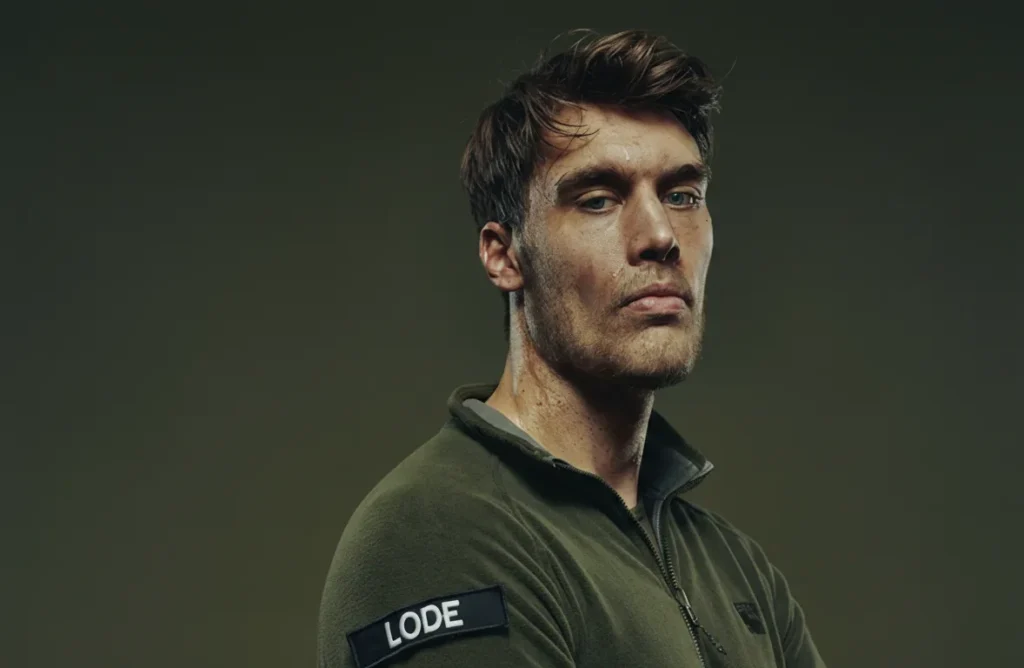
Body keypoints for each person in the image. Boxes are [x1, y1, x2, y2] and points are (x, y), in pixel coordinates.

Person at [318, 29, 827, 668]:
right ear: (504, 256)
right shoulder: (433, 531)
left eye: (682, 195)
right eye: (598, 200)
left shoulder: (736, 568)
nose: (661, 235)